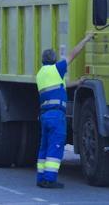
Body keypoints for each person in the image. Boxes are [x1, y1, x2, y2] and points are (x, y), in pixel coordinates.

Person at [36, 32, 95, 189]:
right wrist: (86, 39)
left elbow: (60, 86)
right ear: (54, 60)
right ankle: (50, 179)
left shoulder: (41, 74)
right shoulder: (57, 68)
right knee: (55, 147)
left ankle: (41, 178)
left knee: (44, 147)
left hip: (45, 115)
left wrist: (77, 82)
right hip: (56, 116)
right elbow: (73, 54)